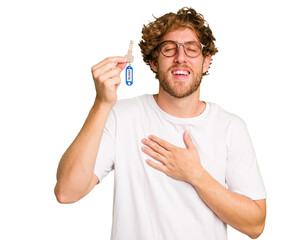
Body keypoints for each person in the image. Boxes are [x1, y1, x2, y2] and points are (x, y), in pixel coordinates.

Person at [55, 7, 266, 240]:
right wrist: (101, 104)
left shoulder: (230, 128)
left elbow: (255, 224)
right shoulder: (121, 116)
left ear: (206, 62)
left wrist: (195, 175)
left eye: (192, 49)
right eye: (169, 49)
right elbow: (66, 192)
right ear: (154, 62)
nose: (180, 57)